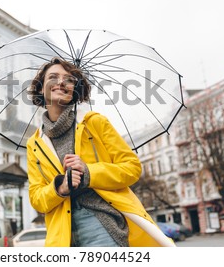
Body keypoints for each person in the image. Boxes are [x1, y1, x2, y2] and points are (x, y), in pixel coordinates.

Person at [26, 57, 175, 247]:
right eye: (53, 77)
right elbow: (36, 198)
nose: (61, 82)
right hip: (61, 237)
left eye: (69, 79)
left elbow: (132, 168)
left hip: (101, 224)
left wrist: (88, 172)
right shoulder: (35, 144)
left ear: (74, 91)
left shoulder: (94, 123)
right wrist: (60, 188)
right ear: (41, 88)